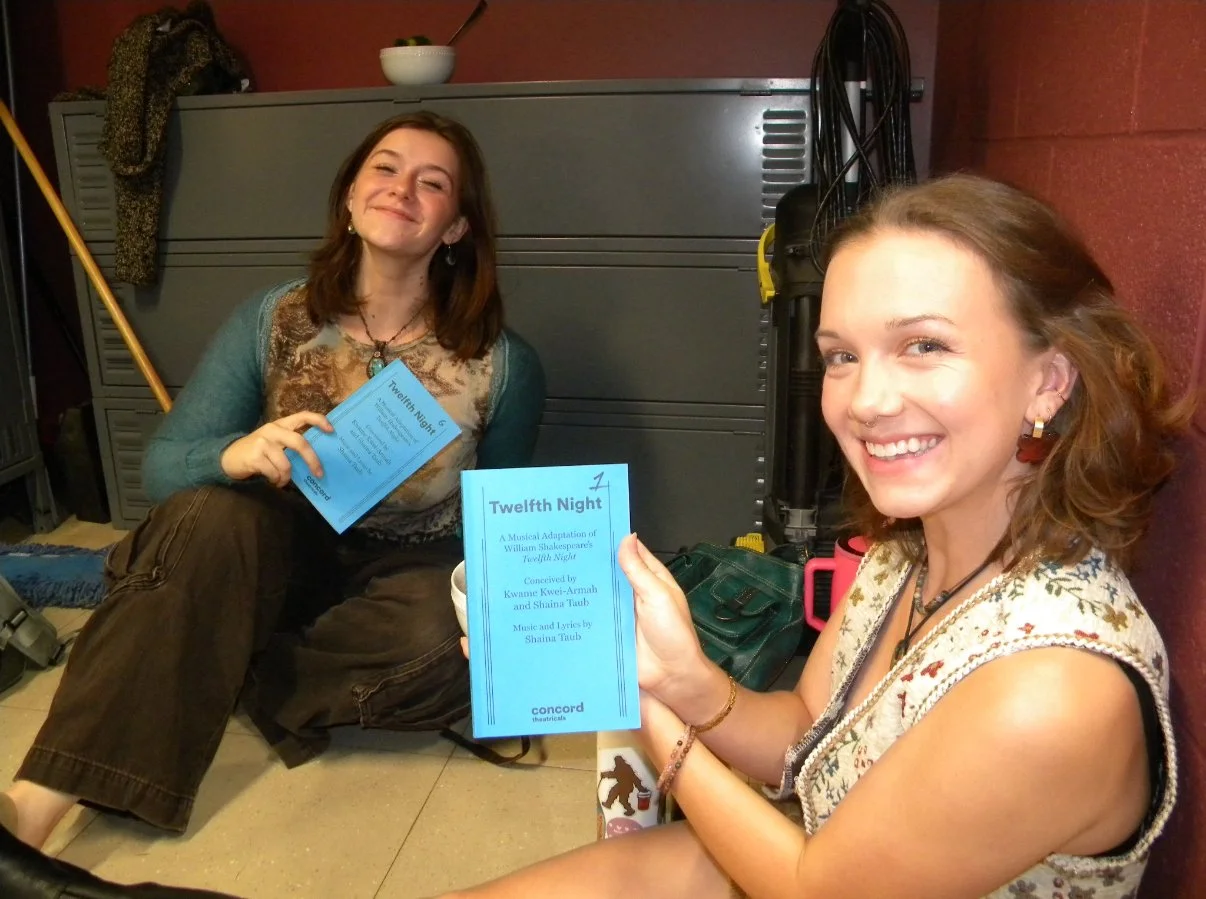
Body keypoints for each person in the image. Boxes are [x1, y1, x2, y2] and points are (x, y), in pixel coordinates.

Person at [442, 174, 1191, 898]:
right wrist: (679, 679)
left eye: (925, 345)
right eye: (842, 355)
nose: (866, 400)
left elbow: (812, 887)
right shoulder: (908, 552)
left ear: (1049, 380)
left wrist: (631, 702)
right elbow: (804, 731)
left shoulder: (1053, 688)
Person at [0, 111, 545, 863]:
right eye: (384, 169)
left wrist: (523, 621)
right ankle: (32, 808)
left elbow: (509, 521)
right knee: (210, 517)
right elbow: (162, 469)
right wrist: (235, 452)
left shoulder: (503, 363)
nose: (402, 189)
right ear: (350, 196)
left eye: (434, 182)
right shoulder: (274, 318)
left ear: (455, 227)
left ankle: (197, 653)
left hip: (400, 577)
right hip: (263, 553)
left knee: (455, 648)